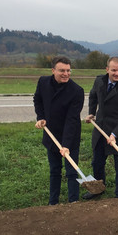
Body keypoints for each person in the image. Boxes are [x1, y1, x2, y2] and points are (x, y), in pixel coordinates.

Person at [83, 56, 118, 199]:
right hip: (101, 129)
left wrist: (115, 134)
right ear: (107, 69)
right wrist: (91, 112)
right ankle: (98, 189)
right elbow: (93, 96)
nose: (117, 73)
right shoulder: (99, 81)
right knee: (97, 163)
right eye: (114, 70)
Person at [33, 56, 84, 205]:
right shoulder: (43, 82)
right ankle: (53, 202)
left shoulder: (76, 91)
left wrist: (66, 144)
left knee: (71, 171)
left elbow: (72, 119)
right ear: (53, 70)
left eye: (68, 70)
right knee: (54, 170)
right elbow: (38, 99)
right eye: (62, 70)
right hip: (51, 134)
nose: (66, 74)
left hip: (70, 136)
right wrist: (41, 117)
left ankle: (73, 201)